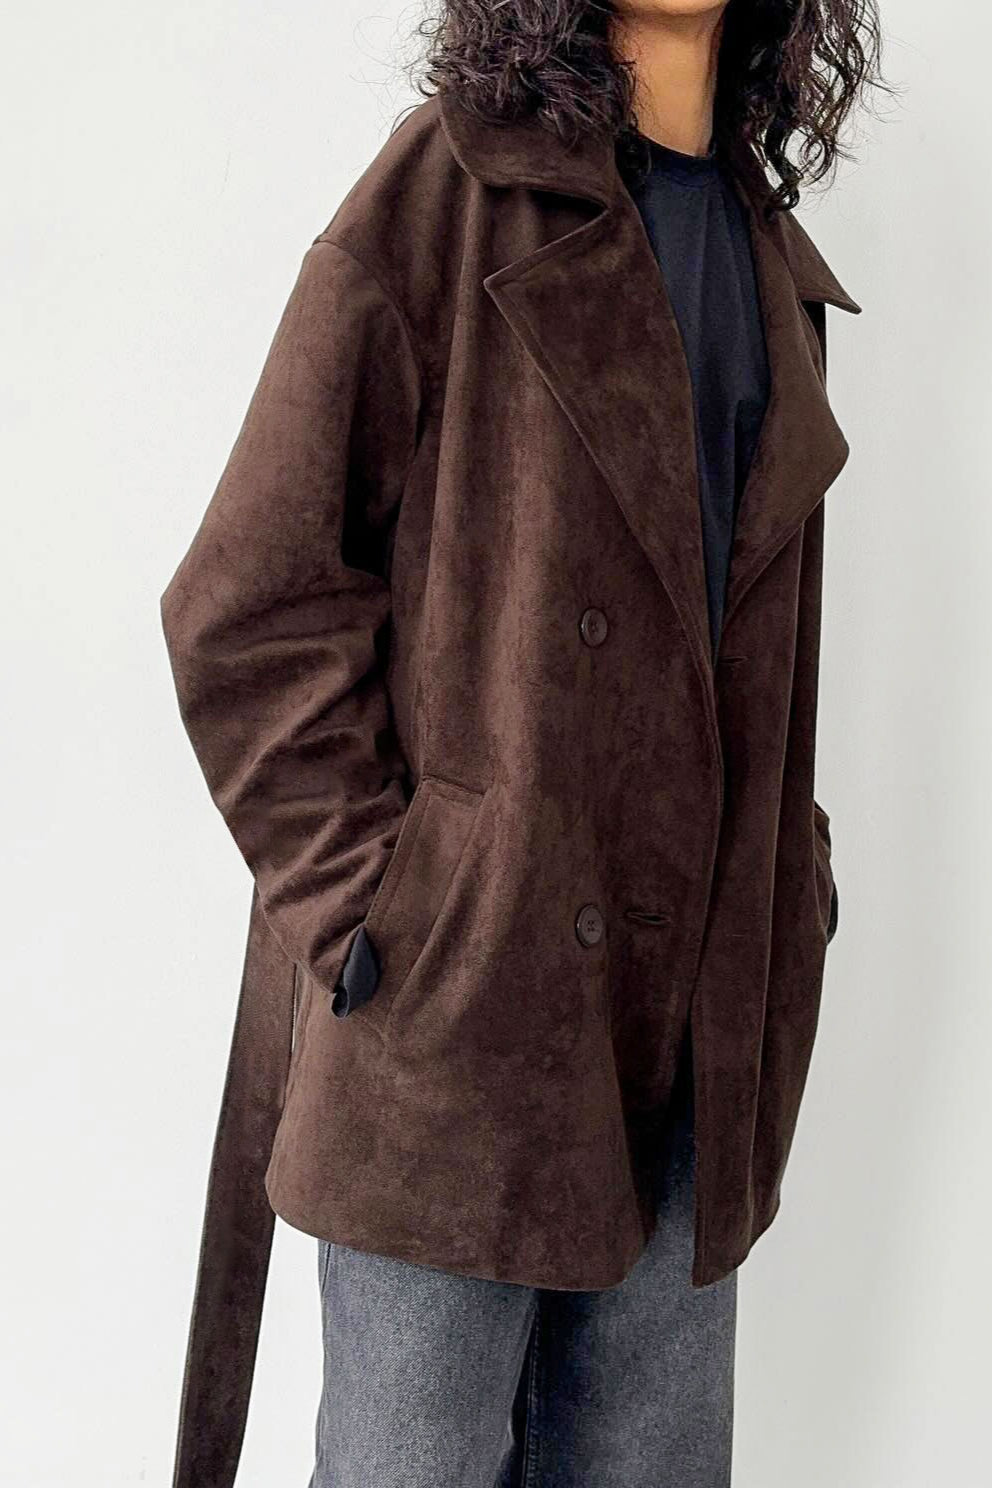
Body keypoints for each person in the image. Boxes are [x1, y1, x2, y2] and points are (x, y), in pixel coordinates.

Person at [160, 2, 884, 1483]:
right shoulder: (445, 190)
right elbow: (248, 601)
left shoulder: (768, 260)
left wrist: (787, 894)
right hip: (457, 1041)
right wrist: (385, 903)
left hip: (691, 1044)